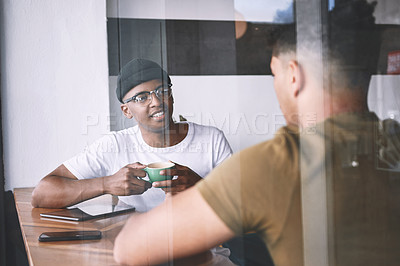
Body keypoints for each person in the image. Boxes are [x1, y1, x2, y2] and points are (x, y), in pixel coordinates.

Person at [113, 1, 400, 265]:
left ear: (293, 76)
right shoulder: (391, 145)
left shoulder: (277, 166)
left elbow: (130, 248)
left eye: (274, 75)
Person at [31, 59, 232, 211]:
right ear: (126, 111)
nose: (156, 101)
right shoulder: (113, 145)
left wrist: (200, 187)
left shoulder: (211, 139)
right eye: (141, 97)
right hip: (137, 252)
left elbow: (244, 209)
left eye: (162, 90)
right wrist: (106, 184)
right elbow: (41, 194)